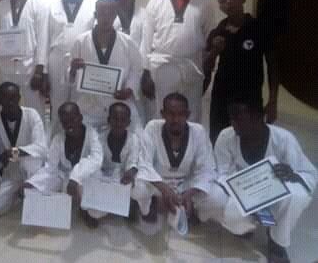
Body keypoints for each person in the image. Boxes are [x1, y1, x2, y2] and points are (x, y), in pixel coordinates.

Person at [211, 99, 317, 263]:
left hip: (276, 196)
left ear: (258, 117)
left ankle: (277, 242)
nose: (234, 124)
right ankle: (246, 227)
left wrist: (292, 174)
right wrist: (247, 199)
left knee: (299, 194)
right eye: (232, 118)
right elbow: (221, 174)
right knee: (228, 211)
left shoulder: (283, 139)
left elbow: (309, 174)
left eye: (240, 119)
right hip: (242, 195)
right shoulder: (226, 137)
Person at [140, 0, 215, 123]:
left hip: (192, 66)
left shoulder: (204, 3)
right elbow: (146, 39)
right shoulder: (156, 1)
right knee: (160, 113)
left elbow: (210, 39)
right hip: (162, 66)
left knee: (191, 114)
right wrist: (145, 72)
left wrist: (208, 72)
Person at [135, 93, 221, 233]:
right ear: (162, 113)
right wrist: (165, 190)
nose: (175, 119)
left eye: (181, 114)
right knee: (138, 187)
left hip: (186, 183)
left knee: (216, 195)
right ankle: (149, 208)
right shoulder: (152, 128)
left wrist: (190, 193)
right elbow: (144, 163)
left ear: (188, 114)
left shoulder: (198, 131)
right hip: (159, 182)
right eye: (171, 114)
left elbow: (207, 168)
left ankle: (195, 211)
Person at [203, 0, 279, 145]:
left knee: (251, 140)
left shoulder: (260, 28)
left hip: (250, 96)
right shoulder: (218, 31)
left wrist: (273, 101)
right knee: (218, 139)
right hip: (222, 97)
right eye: (223, 0)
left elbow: (273, 65)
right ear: (220, 7)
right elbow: (206, 66)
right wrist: (215, 51)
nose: (228, 2)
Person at [70, 0, 142, 131]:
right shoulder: (80, 41)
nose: (106, 17)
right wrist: (73, 69)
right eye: (102, 13)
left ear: (115, 15)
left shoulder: (128, 42)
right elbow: (70, 74)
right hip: (89, 103)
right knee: (79, 133)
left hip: (119, 101)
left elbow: (136, 69)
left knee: (137, 135)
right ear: (95, 14)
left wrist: (129, 89)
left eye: (110, 13)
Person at [26, 102, 103, 228]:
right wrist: (32, 182)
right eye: (65, 122)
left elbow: (96, 159)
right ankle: (69, 203)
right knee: (36, 189)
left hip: (87, 178)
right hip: (66, 178)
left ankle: (85, 209)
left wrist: (75, 177)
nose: (69, 125)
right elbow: (50, 167)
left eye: (72, 120)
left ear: (80, 118)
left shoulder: (92, 135)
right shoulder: (58, 139)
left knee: (95, 212)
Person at [0, 82, 47, 216]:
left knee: (29, 162)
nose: (10, 102)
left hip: (33, 169)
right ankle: (18, 193)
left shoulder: (32, 115)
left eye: (14, 97)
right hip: (12, 173)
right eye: (6, 98)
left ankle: (31, 190)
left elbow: (41, 148)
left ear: (19, 97)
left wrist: (14, 152)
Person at [0, 0, 49, 119]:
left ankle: (37, 135)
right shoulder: (0, 6)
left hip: (29, 67)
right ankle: (3, 134)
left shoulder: (39, 6)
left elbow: (43, 39)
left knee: (35, 109)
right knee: (4, 107)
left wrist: (39, 70)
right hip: (6, 66)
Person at [47, 0, 95, 135]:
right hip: (57, 59)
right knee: (57, 102)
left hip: (81, 60)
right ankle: (55, 140)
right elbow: (46, 39)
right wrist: (43, 69)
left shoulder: (91, 8)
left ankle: (77, 141)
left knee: (78, 103)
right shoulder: (52, 7)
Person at [86, 102, 141, 222]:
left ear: (128, 122)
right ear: (108, 120)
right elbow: (95, 161)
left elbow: (133, 161)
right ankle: (101, 207)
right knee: (94, 213)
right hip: (104, 177)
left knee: (139, 186)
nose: (119, 123)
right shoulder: (99, 138)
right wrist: (101, 180)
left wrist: (130, 173)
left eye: (123, 120)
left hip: (124, 176)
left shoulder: (134, 139)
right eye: (115, 119)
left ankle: (130, 204)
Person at [113, 0, 154, 125]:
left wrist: (144, 72)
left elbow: (147, 44)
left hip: (137, 70)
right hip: (113, 67)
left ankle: (139, 138)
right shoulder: (108, 11)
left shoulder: (144, 13)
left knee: (138, 112)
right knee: (113, 109)